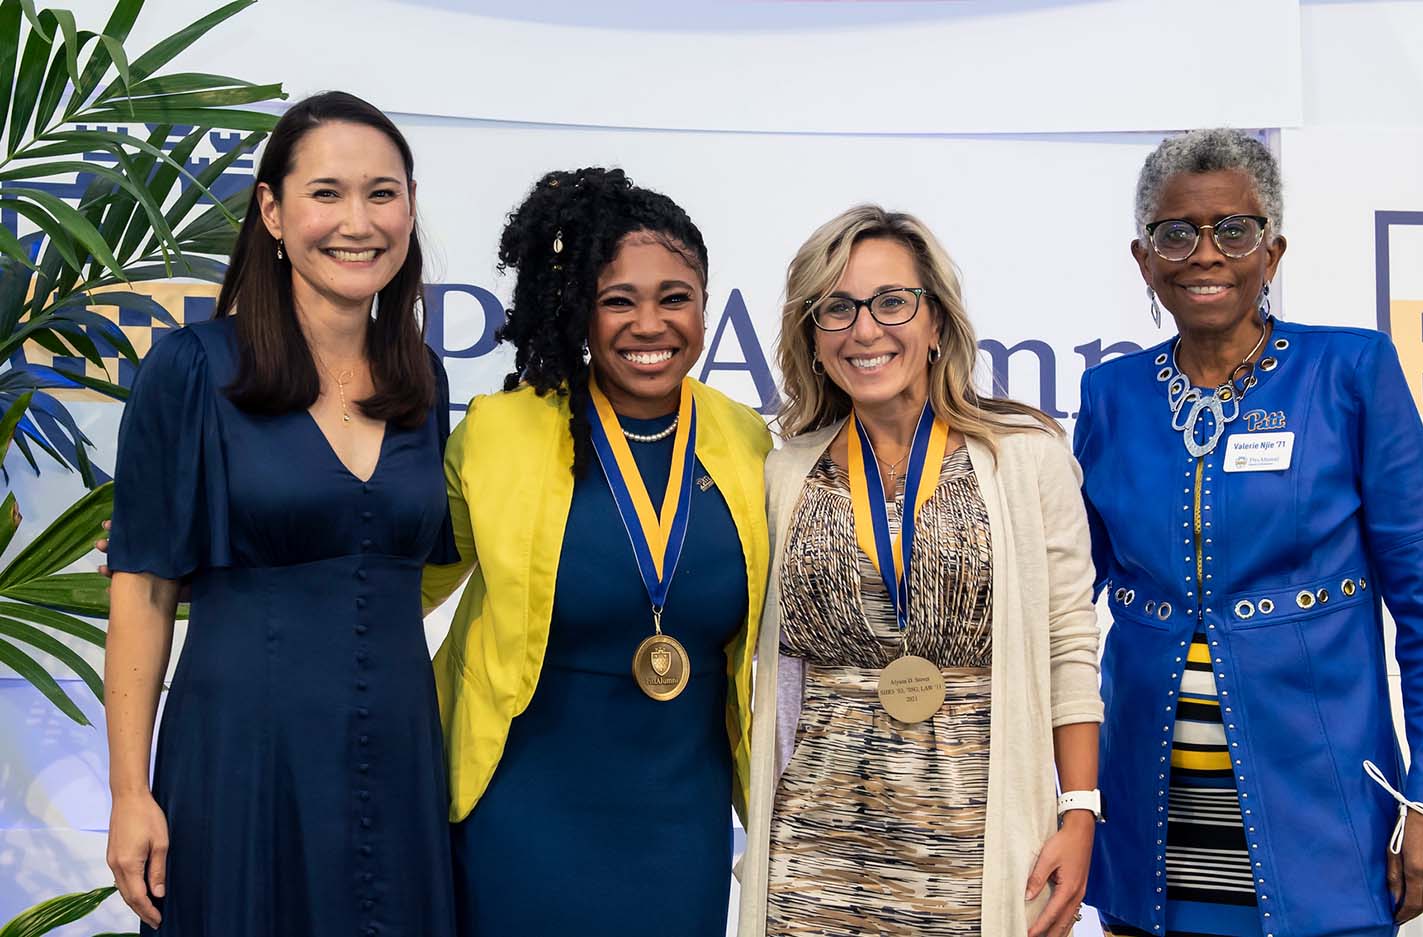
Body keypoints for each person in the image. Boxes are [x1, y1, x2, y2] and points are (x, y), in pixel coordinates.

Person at [1076, 128, 1423, 937]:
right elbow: (1064, 600)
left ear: (1273, 250)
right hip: (1151, 820)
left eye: (1235, 229)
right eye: (1176, 233)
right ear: (1144, 259)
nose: (1205, 254)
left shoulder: (1351, 372)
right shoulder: (1110, 394)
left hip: (1321, 817)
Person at [104, 92, 457, 936]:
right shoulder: (192, 369)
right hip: (242, 759)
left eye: (382, 192)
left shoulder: (423, 379)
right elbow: (143, 591)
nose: (357, 221)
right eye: (326, 192)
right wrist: (128, 791)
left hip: (399, 760)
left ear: (409, 207)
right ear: (271, 209)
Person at [420, 168, 771, 935]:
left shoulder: (747, 442)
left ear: (705, 305)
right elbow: (390, 583)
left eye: (674, 296)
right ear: (580, 309)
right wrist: (218, 573)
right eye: (619, 300)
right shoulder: (498, 432)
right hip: (521, 809)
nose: (650, 324)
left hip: (684, 816)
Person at [737, 205, 1103, 937]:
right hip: (813, 847)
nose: (864, 330)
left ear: (936, 321)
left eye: (891, 302)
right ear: (812, 336)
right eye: (835, 308)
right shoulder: (782, 473)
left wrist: (1080, 808)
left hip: (980, 839)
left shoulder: (1026, 455)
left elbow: (1069, 640)